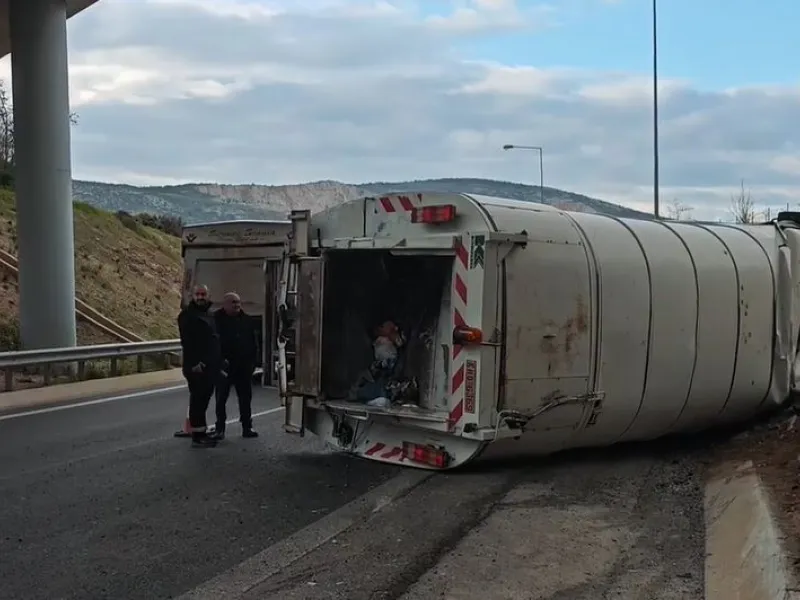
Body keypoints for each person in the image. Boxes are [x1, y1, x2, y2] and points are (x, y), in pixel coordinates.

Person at [177, 284, 221, 448]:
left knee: (203, 400)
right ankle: (197, 435)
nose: (200, 297)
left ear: (208, 295)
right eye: (197, 294)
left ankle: (201, 431)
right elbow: (187, 343)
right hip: (197, 367)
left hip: (209, 365)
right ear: (192, 296)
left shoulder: (208, 314)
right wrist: (195, 363)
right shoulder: (187, 316)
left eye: (203, 294)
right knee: (198, 400)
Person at [212, 292, 259, 440]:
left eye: (238, 302)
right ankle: (220, 428)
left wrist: (253, 363)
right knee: (221, 398)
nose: (236, 305)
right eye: (233, 302)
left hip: (243, 366)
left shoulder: (246, 320)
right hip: (224, 365)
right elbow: (212, 344)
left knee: (245, 398)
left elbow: (254, 342)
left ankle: (247, 426)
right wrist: (218, 362)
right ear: (225, 304)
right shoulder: (215, 320)